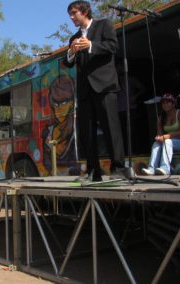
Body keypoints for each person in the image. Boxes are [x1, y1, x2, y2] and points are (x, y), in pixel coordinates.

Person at [63, 0, 125, 181]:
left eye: (74, 13)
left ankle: (118, 169)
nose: (71, 17)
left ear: (85, 11)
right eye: (70, 14)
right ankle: (92, 172)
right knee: (87, 133)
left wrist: (90, 45)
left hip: (105, 86)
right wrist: (71, 52)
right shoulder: (73, 37)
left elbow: (113, 46)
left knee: (111, 128)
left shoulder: (103, 25)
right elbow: (68, 63)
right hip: (84, 91)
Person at [142, 93, 180, 175]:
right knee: (157, 143)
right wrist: (159, 137)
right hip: (170, 142)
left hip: (177, 141)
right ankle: (151, 168)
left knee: (167, 141)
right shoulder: (161, 118)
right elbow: (160, 134)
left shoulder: (178, 113)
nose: (165, 104)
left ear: (173, 104)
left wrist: (167, 136)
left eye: (168, 102)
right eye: (163, 103)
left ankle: (166, 168)